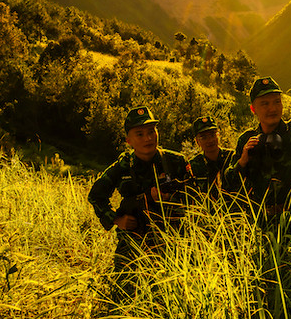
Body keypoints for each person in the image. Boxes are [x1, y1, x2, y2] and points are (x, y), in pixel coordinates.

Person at [88, 106, 191, 299]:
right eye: (140, 134)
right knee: (123, 295)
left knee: (170, 296)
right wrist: (117, 219)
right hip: (133, 239)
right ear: (129, 141)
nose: (148, 138)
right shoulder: (123, 166)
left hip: (171, 239)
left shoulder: (175, 162)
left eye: (152, 131)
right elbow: (96, 195)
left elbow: (195, 198)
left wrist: (170, 200)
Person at [223, 76, 291, 231]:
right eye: (265, 103)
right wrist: (242, 161)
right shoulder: (247, 140)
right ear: (253, 109)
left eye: (277, 102)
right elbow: (229, 182)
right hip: (260, 223)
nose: (273, 108)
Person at [188, 115, 235, 204]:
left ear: (218, 135)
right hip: (206, 214)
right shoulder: (193, 165)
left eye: (212, 135)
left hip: (234, 212)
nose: (210, 140)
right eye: (204, 137)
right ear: (197, 141)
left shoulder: (232, 157)